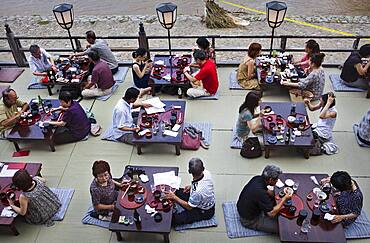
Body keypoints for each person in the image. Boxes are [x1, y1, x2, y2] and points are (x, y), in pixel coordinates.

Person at [237, 165, 291, 234]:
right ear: (270, 180)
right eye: (276, 179)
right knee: (283, 229)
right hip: (249, 220)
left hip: (246, 208)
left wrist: (281, 194)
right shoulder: (260, 193)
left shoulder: (257, 178)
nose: (277, 181)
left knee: (275, 205)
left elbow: (268, 191)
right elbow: (271, 214)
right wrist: (284, 199)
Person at [164, 158, 215, 226]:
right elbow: (203, 183)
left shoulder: (197, 192)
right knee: (176, 191)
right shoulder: (206, 172)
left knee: (173, 219)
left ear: (190, 172)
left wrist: (174, 198)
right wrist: (191, 186)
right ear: (203, 168)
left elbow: (189, 207)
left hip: (204, 211)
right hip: (200, 198)